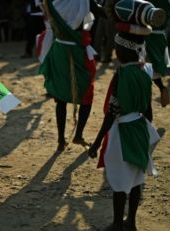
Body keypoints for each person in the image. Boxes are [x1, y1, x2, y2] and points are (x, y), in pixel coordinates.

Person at [88, 0, 163, 231]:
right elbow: (149, 109)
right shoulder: (146, 71)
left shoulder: (121, 75)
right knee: (137, 178)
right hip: (141, 127)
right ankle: (131, 221)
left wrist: (97, 141)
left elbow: (112, 113)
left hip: (124, 131)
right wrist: (147, 132)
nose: (116, 52)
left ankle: (117, 224)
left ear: (123, 51)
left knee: (120, 182)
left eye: (117, 49)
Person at [39, 0, 106, 152]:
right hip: (78, 53)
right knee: (87, 95)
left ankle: (61, 140)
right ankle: (78, 135)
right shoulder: (84, 1)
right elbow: (102, 12)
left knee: (60, 99)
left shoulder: (52, 2)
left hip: (59, 51)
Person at [145, 0, 170, 107]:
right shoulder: (166, 3)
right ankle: (161, 88)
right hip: (160, 37)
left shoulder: (147, 2)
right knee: (153, 69)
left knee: (146, 69)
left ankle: (148, 95)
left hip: (149, 37)